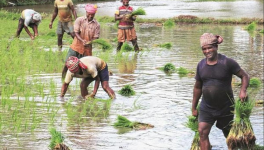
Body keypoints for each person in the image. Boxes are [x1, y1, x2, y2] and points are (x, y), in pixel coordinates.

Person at [192, 33, 249, 150]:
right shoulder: (201, 65)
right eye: (204, 49)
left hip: (226, 107)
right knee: (202, 132)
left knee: (228, 133)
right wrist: (193, 107)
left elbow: (244, 76)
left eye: (210, 48)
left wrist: (243, 90)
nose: (207, 51)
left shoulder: (227, 62)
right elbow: (197, 87)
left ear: (216, 47)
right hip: (206, 107)